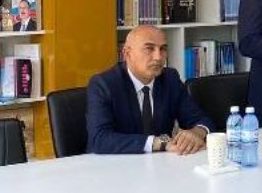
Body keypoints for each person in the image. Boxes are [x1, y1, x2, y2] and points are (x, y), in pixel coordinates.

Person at [86, 25, 214, 155]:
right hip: (114, 164)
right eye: (149, 48)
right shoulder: (104, 84)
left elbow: (201, 120)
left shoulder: (170, 79)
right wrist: (160, 143)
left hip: (161, 163)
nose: (158, 57)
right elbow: (100, 139)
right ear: (127, 54)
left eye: (163, 49)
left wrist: (197, 132)